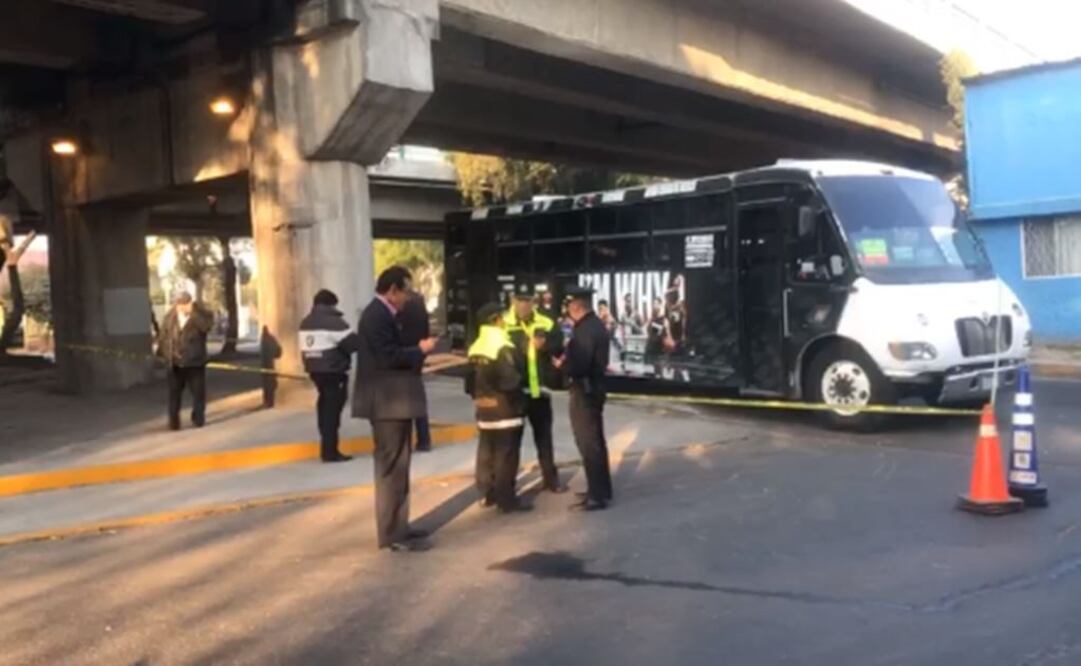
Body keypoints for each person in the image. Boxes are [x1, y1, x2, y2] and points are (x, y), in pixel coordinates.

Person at [353, 266, 439, 552]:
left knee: (400, 466)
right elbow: (387, 356)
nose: (407, 298)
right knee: (391, 468)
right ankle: (391, 534)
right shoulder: (375, 316)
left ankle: (401, 526)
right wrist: (420, 349)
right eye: (405, 291)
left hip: (395, 401)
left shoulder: (385, 314)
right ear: (392, 291)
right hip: (386, 403)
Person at [468, 302, 531, 513]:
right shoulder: (503, 345)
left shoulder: (476, 345)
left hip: (483, 408)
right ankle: (507, 500)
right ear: (496, 320)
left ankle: (488, 494)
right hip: (506, 409)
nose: (505, 321)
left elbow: (469, 382)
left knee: (486, 452)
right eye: (502, 317)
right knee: (507, 455)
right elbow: (511, 380)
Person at [554, 285, 612, 511]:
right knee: (596, 441)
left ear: (576, 307)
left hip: (584, 392)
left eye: (569, 305)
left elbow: (580, 364)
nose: (568, 310)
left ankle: (597, 495)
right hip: (595, 389)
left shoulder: (584, 330)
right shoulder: (595, 325)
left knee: (588, 443)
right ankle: (601, 489)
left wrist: (562, 365)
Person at [503, 285, 567, 493]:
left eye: (528, 300)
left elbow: (559, 346)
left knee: (545, 439)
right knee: (512, 444)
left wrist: (545, 345)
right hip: (515, 392)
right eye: (519, 300)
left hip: (540, 391)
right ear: (512, 300)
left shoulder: (546, 321)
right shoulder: (503, 322)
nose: (523, 304)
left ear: (534, 302)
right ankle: (507, 487)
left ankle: (551, 480)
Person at [298, 289, 358, 463]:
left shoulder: (305, 322)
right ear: (332, 304)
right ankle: (330, 452)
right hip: (334, 371)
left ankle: (327, 447)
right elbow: (353, 344)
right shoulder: (334, 322)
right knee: (332, 413)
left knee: (324, 408)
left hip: (315, 371)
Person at [156, 291, 213, 431]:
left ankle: (198, 418)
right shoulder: (170, 317)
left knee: (198, 393)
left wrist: (193, 313)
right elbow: (163, 337)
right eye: (179, 303)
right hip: (175, 362)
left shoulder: (201, 315)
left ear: (191, 303)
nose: (182, 306)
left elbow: (206, 327)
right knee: (174, 393)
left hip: (194, 362)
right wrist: (163, 354)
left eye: (185, 303)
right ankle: (174, 422)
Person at [398, 289, 433, 452]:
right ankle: (424, 439)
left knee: (400, 401)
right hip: (417, 354)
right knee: (417, 399)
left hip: (402, 355)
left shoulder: (400, 307)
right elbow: (426, 331)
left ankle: (404, 440)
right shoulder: (419, 305)